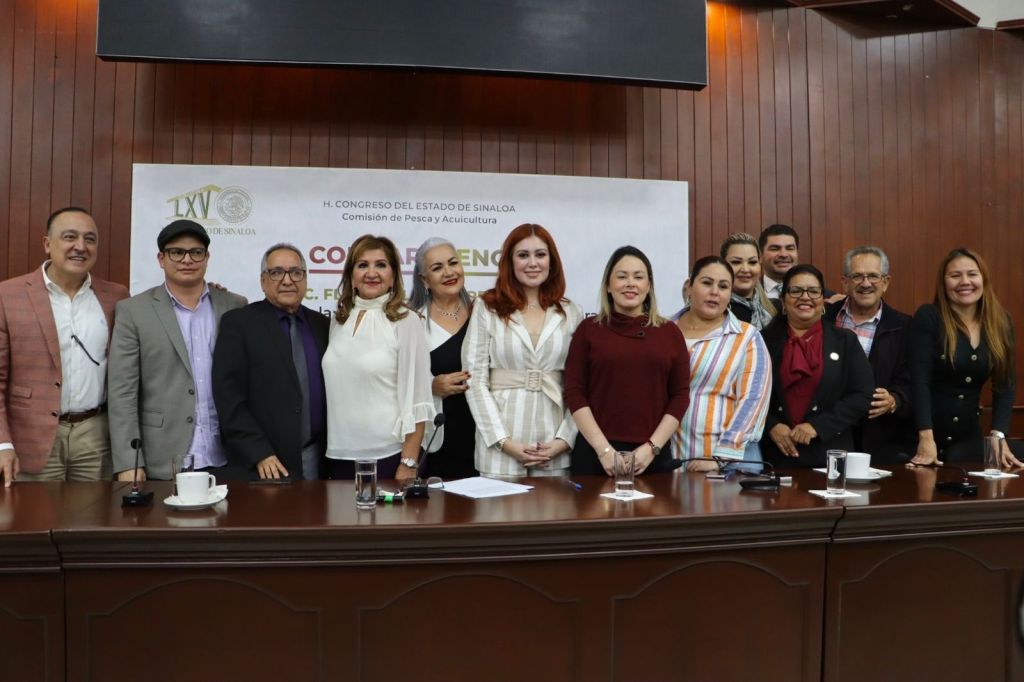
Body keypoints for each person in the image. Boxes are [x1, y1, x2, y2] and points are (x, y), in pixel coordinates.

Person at [107, 220, 246, 481]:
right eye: (177, 252)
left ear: (207, 258)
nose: (187, 260)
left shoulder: (234, 305)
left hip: (228, 457)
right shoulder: (134, 311)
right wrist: (128, 462)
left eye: (196, 252)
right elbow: (122, 393)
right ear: (161, 259)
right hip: (162, 459)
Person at [0, 207, 128, 486]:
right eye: (70, 237)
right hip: (30, 440)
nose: (80, 247)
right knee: (32, 513)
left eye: (90, 239)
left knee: (91, 513)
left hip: (95, 437)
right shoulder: (7, 296)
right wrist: (2, 444)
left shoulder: (116, 297)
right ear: (47, 244)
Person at [463, 223, 583, 478]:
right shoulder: (487, 307)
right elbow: (474, 380)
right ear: (510, 261)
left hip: (552, 450)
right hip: (499, 452)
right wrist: (503, 441)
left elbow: (582, 385)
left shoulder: (571, 311)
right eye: (523, 255)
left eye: (540, 254)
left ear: (552, 261)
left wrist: (563, 440)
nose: (533, 263)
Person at [564, 246, 689, 476]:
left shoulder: (670, 332)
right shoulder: (588, 330)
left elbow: (680, 395)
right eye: (622, 277)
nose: (630, 283)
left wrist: (651, 448)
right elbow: (574, 391)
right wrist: (604, 450)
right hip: (595, 455)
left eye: (638, 277)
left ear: (649, 286)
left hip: (652, 457)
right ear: (608, 286)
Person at [322, 234, 435, 481]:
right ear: (351, 276)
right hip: (338, 456)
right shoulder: (339, 321)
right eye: (362, 265)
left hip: (390, 457)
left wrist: (408, 461)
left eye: (381, 265)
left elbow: (418, 399)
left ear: (393, 276)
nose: (371, 273)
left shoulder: (406, 320)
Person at [213, 244, 330, 480]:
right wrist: (259, 452)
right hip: (263, 463)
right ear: (263, 281)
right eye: (276, 272)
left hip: (319, 459)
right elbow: (228, 397)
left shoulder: (322, 325)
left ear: (305, 279)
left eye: (295, 272)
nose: (287, 281)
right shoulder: (239, 324)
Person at [909, 248, 1024, 468]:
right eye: (955, 275)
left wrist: (998, 437)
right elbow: (919, 382)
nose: (965, 282)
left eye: (972, 274)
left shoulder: (1001, 322)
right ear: (943, 283)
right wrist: (926, 437)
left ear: (983, 279)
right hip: (923, 437)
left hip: (967, 439)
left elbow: (1005, 384)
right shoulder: (929, 317)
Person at [761, 264, 873, 468]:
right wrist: (771, 425)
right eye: (796, 291)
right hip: (775, 455)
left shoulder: (845, 341)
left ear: (823, 302)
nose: (805, 297)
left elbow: (862, 395)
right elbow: (746, 394)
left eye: (813, 291)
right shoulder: (762, 342)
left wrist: (817, 426)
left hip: (830, 457)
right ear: (783, 301)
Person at [671, 256, 772, 472]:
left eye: (723, 286)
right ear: (688, 287)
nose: (714, 292)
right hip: (666, 461)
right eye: (707, 283)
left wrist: (721, 458)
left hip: (725, 467)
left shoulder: (747, 337)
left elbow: (753, 401)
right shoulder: (663, 331)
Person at [824, 246, 915, 463]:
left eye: (873, 276)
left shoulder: (904, 326)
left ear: (886, 282)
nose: (866, 284)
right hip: (829, 435)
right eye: (857, 276)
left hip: (880, 440)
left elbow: (912, 378)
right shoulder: (824, 319)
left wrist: (895, 399)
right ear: (845, 282)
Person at [408, 237, 478, 480]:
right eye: (437, 268)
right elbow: (397, 380)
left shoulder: (484, 312)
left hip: (485, 433)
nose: (449, 272)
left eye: (453, 263)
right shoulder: (413, 320)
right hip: (438, 435)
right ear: (424, 279)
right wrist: (431, 386)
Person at [720, 232, 777, 329]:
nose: (745, 269)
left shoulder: (775, 308)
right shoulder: (714, 310)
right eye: (736, 262)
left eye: (752, 262)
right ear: (722, 265)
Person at [758, 224, 800, 300]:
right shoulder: (748, 293)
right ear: (760, 256)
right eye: (775, 249)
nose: (783, 254)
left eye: (790, 248)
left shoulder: (819, 294)